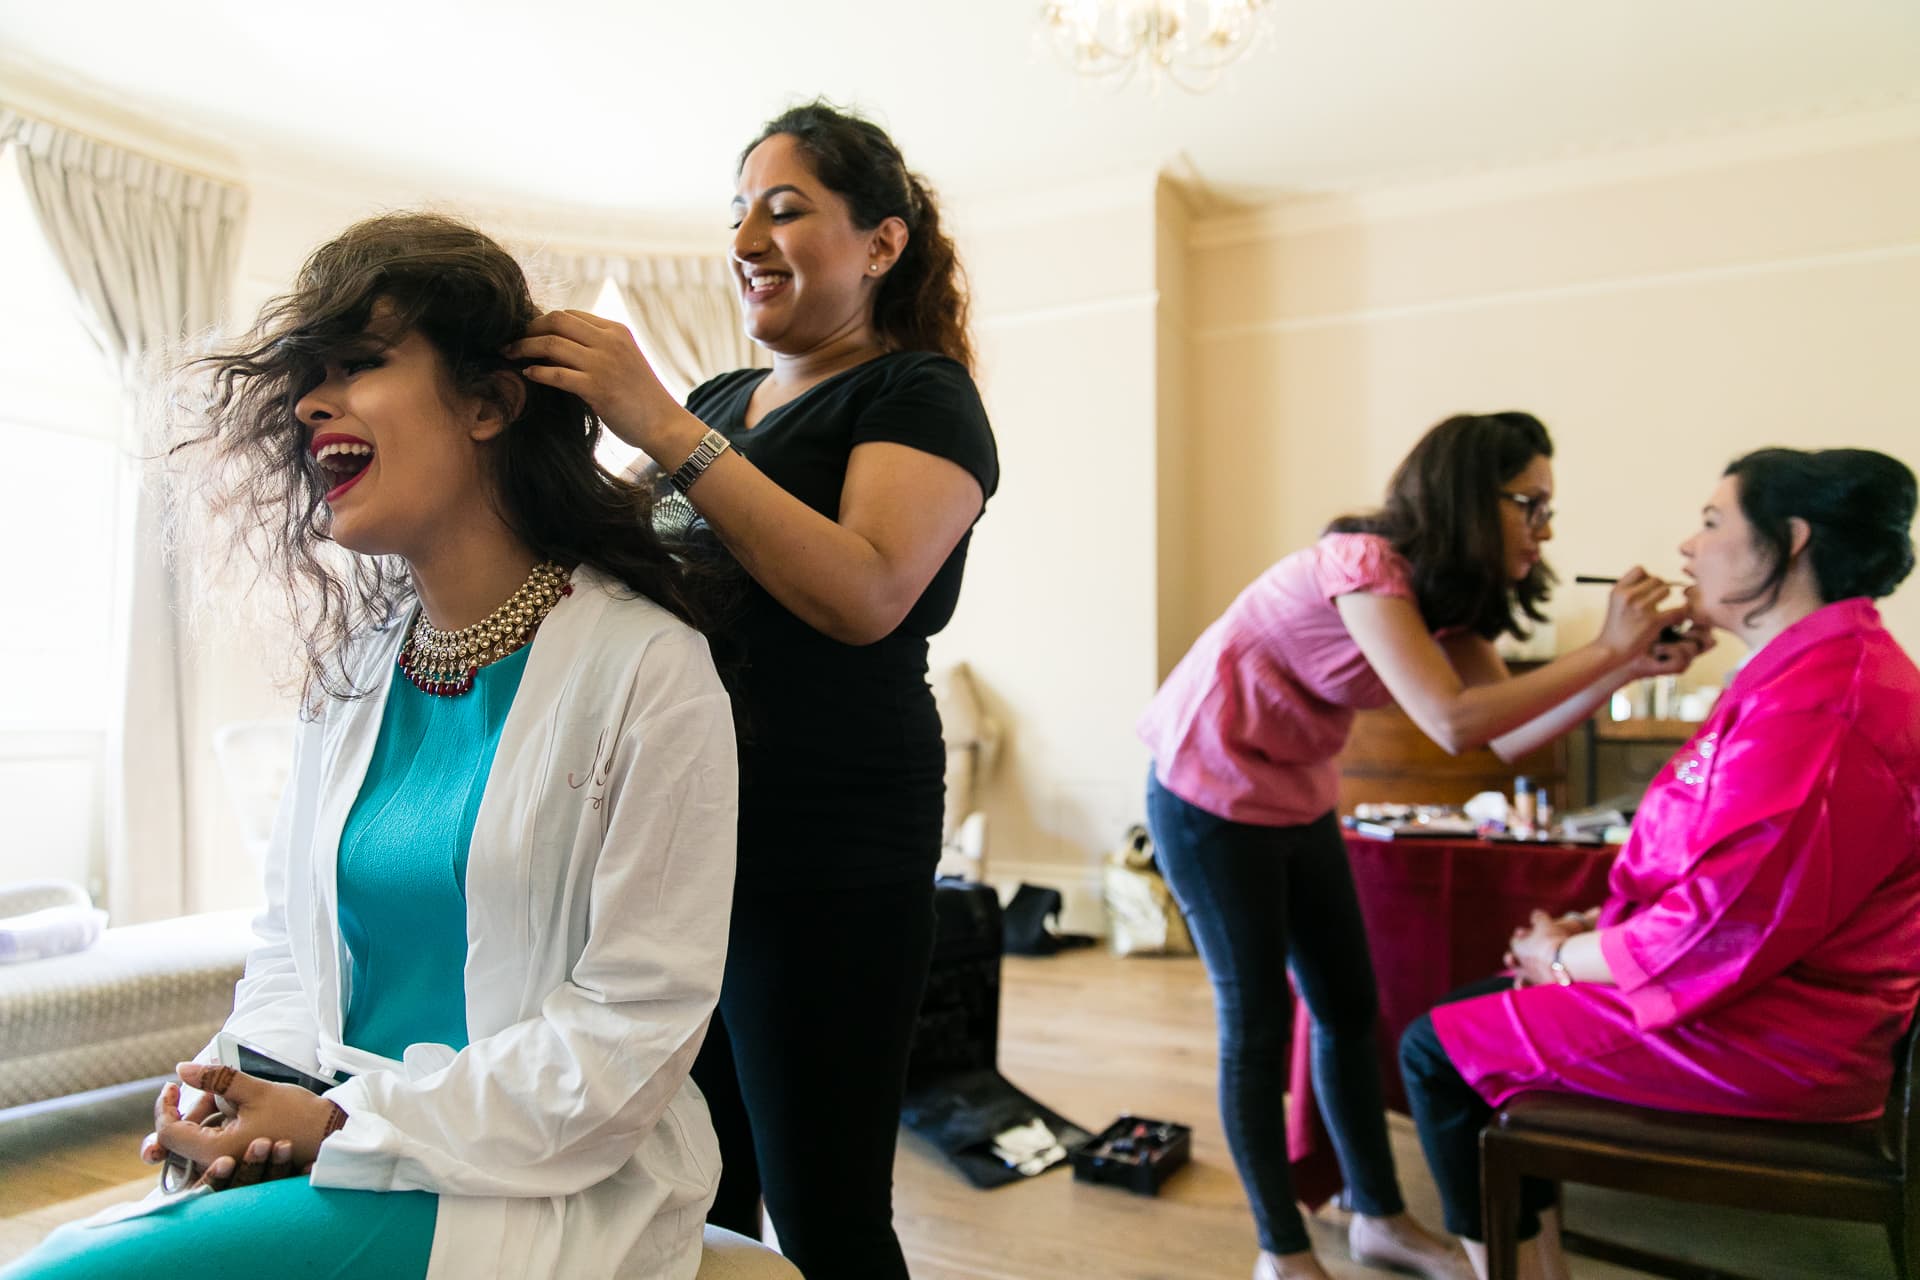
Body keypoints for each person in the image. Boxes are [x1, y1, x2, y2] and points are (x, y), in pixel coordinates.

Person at [1, 213, 738, 1280]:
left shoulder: (648, 668)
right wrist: (241, 1088)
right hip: (341, 1142)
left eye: (357, 364)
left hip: (538, 1185)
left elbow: (628, 1037)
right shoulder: (353, 666)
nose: (309, 402)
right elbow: (289, 951)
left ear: (489, 403)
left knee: (62, 1268)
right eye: (308, 375)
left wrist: (338, 1123)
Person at [505, 100, 998, 1278]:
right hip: (685, 836)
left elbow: (868, 588)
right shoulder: (726, 399)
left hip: (831, 844)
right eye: (738, 210)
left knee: (827, 1208)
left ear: (880, 243)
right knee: (694, 1188)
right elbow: (600, 558)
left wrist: (663, 424)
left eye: (787, 207)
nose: (749, 234)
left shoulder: (916, 394)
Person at [1137, 411, 1707, 1280]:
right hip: (1206, 793)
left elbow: (1509, 737)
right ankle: (1281, 1250)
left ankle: (1376, 1217)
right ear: (1472, 496)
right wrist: (1605, 647)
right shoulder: (1365, 567)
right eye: (1531, 504)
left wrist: (1626, 667)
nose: (1545, 529)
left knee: (1349, 1009)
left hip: (1295, 795)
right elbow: (1449, 720)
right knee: (1256, 1023)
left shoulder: (1447, 605)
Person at [1400, 446, 1920, 1280]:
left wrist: (1559, 956)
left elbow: (1722, 926)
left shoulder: (1824, 705)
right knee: (1470, 1008)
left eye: (1712, 523)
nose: (1687, 546)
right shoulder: (1808, 673)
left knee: (1437, 1047)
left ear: (1789, 541)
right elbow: (1728, 875)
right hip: (1764, 993)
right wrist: (1599, 931)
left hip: (1776, 1035)